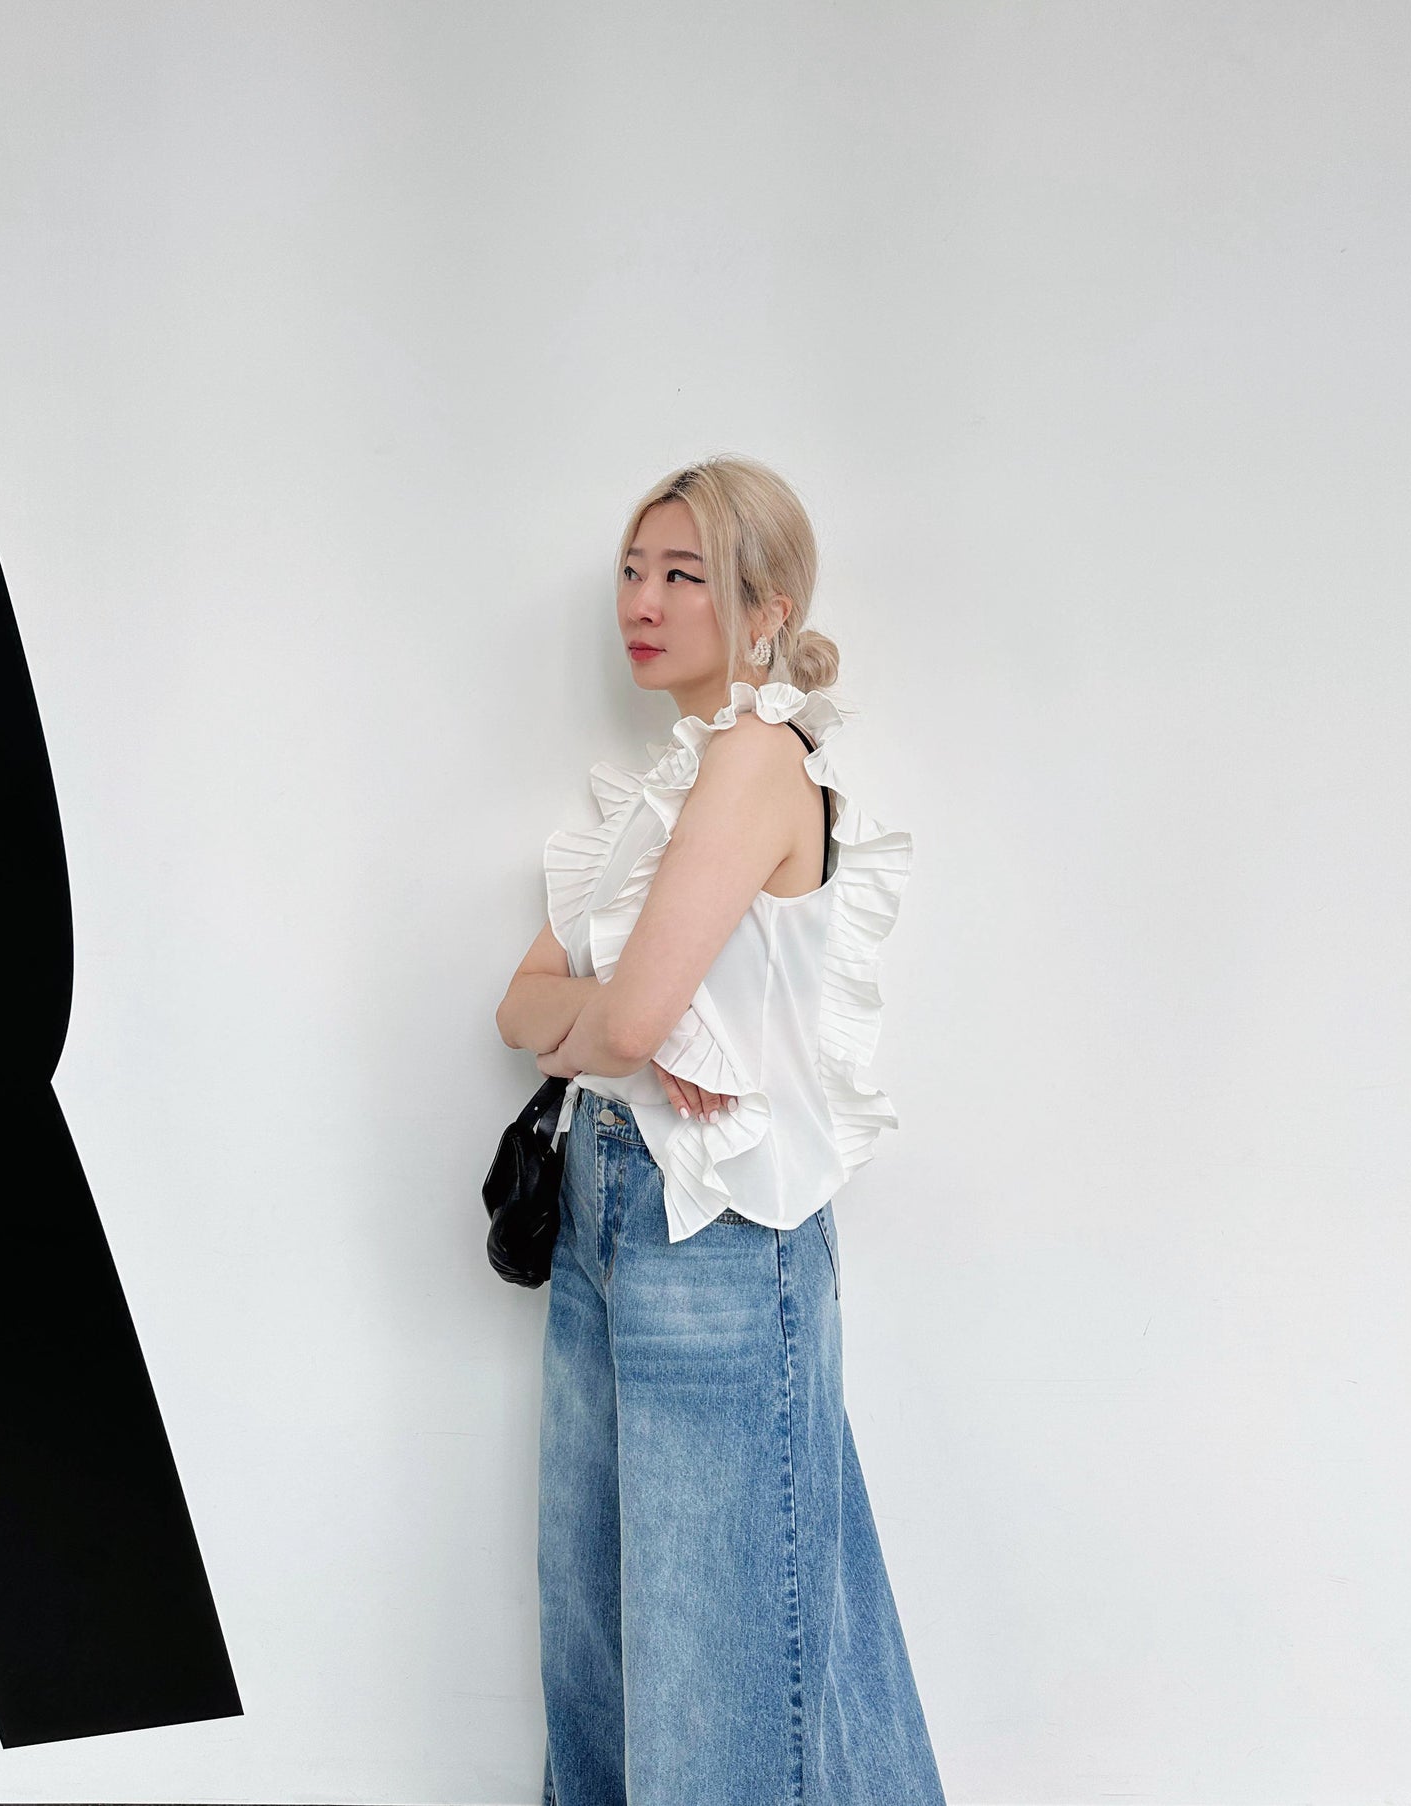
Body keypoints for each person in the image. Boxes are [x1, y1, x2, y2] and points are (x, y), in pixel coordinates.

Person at [495, 455, 946, 1806]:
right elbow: (522, 1006)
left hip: (722, 1231)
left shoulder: (754, 762)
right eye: (633, 571)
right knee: (600, 1625)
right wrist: (623, 1025)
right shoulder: (662, 789)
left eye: (682, 575)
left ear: (766, 607)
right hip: (607, 1205)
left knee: (725, 1650)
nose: (641, 602)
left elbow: (620, 1022)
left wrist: (622, 1024)